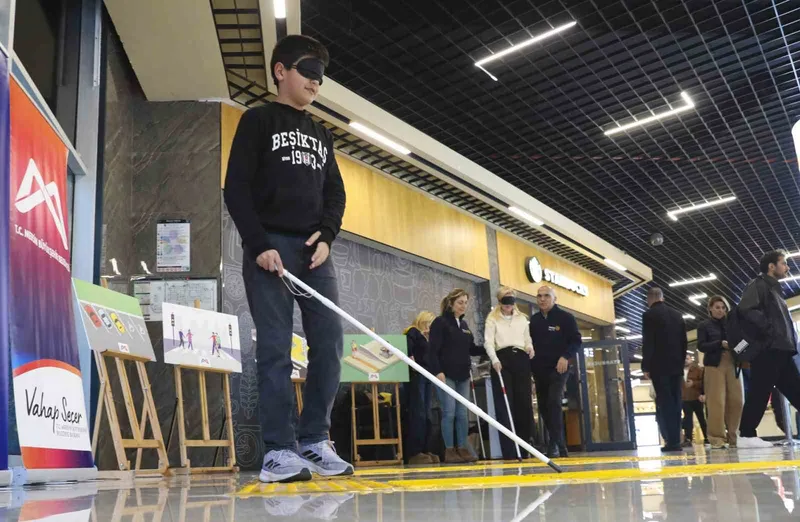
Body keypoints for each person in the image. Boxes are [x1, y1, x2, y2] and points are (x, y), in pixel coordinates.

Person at [224, 34, 350, 483]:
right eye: (309, 72)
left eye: (321, 76)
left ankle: (314, 439)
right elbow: (236, 188)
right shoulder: (257, 121)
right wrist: (259, 244)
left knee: (330, 344)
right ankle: (278, 450)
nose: (316, 82)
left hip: (314, 253)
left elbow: (335, 194)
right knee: (275, 348)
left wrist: (327, 236)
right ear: (281, 71)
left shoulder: (322, 134)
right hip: (270, 248)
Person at [737, 250, 800, 449]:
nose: (787, 267)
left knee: (796, 390)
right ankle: (746, 435)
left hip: (781, 350)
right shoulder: (758, 285)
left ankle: (746, 434)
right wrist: (769, 330)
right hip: (768, 350)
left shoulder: (775, 289)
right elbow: (746, 309)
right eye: (783, 263)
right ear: (771, 266)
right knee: (760, 391)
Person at [429, 289, 482, 464]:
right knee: (449, 412)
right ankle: (449, 449)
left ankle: (462, 447)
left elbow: (471, 348)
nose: (463, 306)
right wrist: (438, 371)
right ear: (451, 303)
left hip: (463, 376)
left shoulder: (464, 326)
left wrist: (490, 348)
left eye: (465, 303)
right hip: (446, 375)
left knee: (462, 414)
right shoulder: (440, 323)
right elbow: (432, 350)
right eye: (460, 302)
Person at [529, 285, 581, 458]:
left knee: (554, 402)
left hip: (559, 368)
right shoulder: (534, 321)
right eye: (539, 296)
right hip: (539, 370)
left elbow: (576, 341)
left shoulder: (566, 318)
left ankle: (556, 444)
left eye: (546, 296)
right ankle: (558, 441)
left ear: (554, 299)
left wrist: (565, 356)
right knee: (544, 407)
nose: (542, 299)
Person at [484, 287, 535, 460]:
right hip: (502, 359)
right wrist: (494, 359)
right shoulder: (492, 319)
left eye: (511, 301)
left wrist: (529, 347)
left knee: (524, 403)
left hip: (521, 358)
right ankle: (510, 451)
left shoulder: (522, 319)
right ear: (499, 302)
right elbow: (488, 342)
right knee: (505, 406)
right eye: (505, 301)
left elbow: (527, 338)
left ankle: (525, 447)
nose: (508, 305)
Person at [642, 287, 687, 453]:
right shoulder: (677, 315)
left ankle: (672, 441)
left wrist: (646, 366)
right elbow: (683, 342)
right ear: (663, 297)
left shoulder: (649, 315)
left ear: (649, 299)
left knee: (665, 402)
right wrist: (681, 362)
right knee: (676, 402)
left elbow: (649, 341)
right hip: (676, 365)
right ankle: (677, 439)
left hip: (659, 366)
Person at [697, 295, 742, 449]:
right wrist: (720, 343)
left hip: (733, 363)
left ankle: (734, 436)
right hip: (714, 365)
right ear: (710, 308)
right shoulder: (704, 325)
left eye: (723, 308)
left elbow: (743, 342)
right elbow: (701, 346)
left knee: (736, 400)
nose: (720, 310)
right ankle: (716, 438)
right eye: (717, 307)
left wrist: (739, 351)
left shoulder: (732, 325)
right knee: (716, 402)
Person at [404, 311, 439, 465]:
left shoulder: (427, 338)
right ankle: (415, 451)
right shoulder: (413, 332)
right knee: (418, 413)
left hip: (426, 376)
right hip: (417, 376)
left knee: (427, 414)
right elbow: (408, 348)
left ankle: (425, 449)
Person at [681, 353, 708, 447]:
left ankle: (707, 437)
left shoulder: (698, 370)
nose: (685, 360)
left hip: (697, 398)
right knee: (687, 419)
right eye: (684, 359)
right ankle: (688, 439)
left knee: (701, 418)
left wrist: (693, 383)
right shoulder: (680, 371)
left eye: (687, 358)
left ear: (691, 359)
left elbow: (704, 382)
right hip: (685, 399)